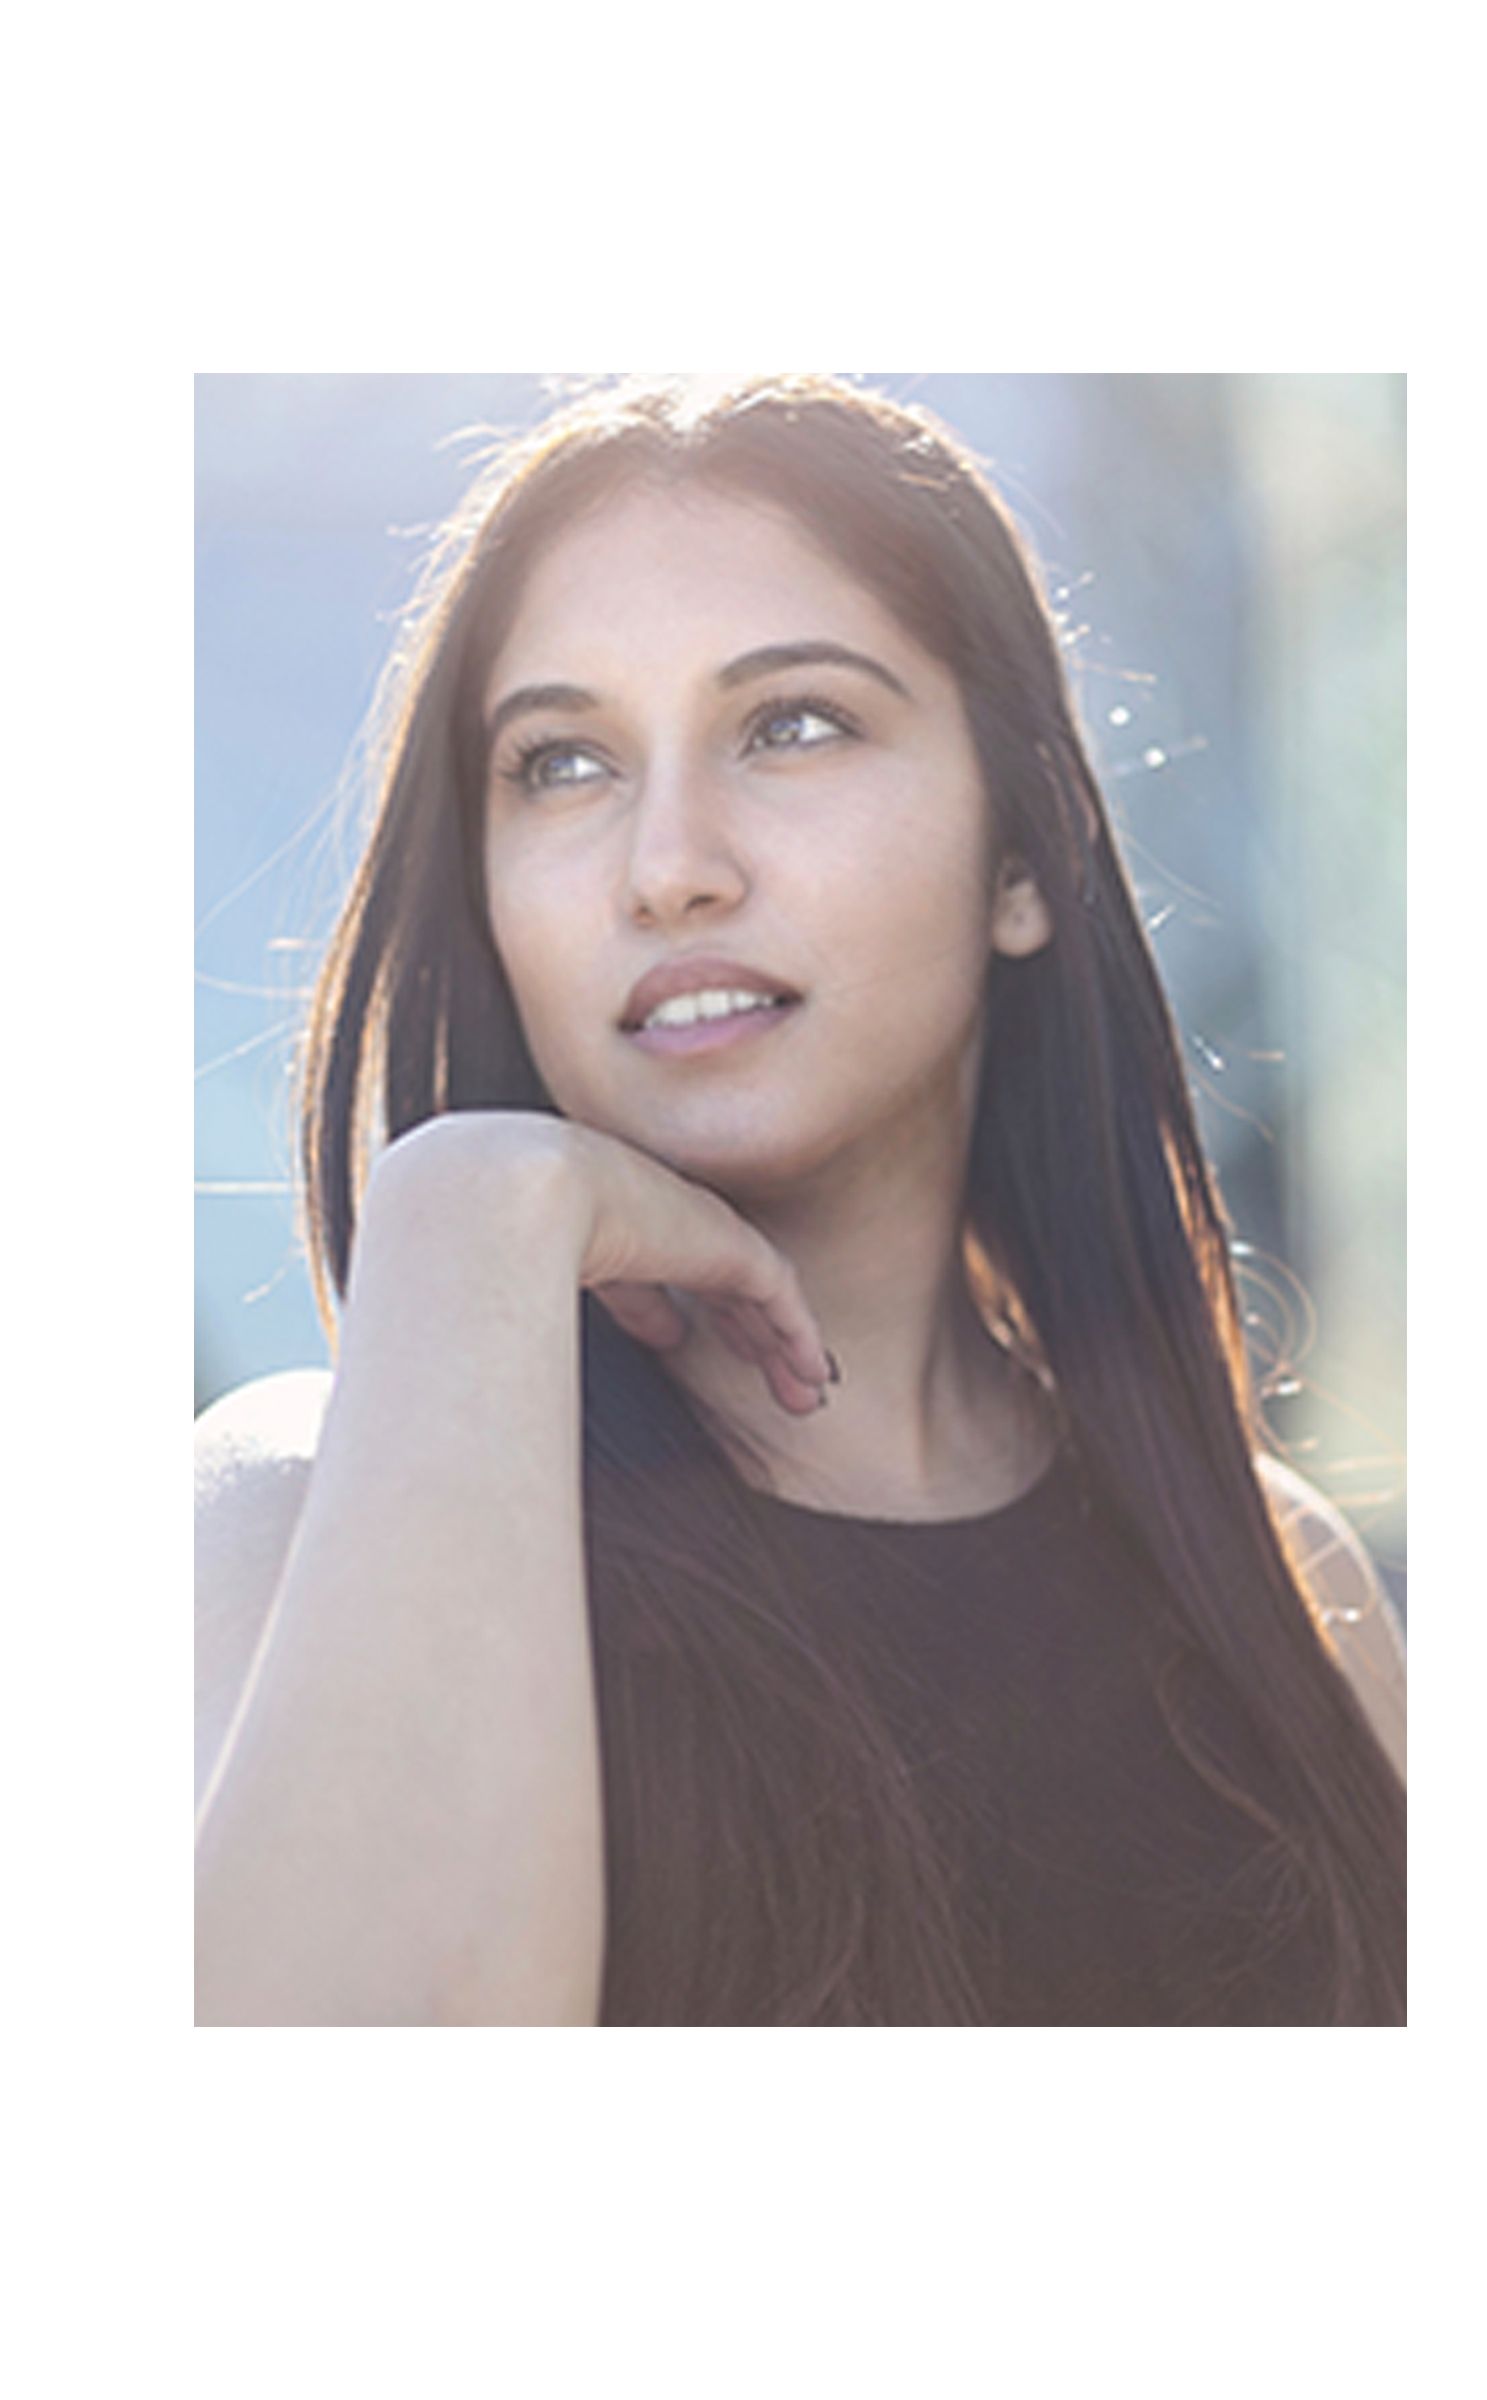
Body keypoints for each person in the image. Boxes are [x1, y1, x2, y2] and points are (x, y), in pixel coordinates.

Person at [194, 372, 1406, 2027]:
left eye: (793, 724)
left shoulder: (1285, 1598)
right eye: (560, 763)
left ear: (1022, 858)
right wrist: (463, 1213)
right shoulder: (289, 1523)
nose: (668, 861)